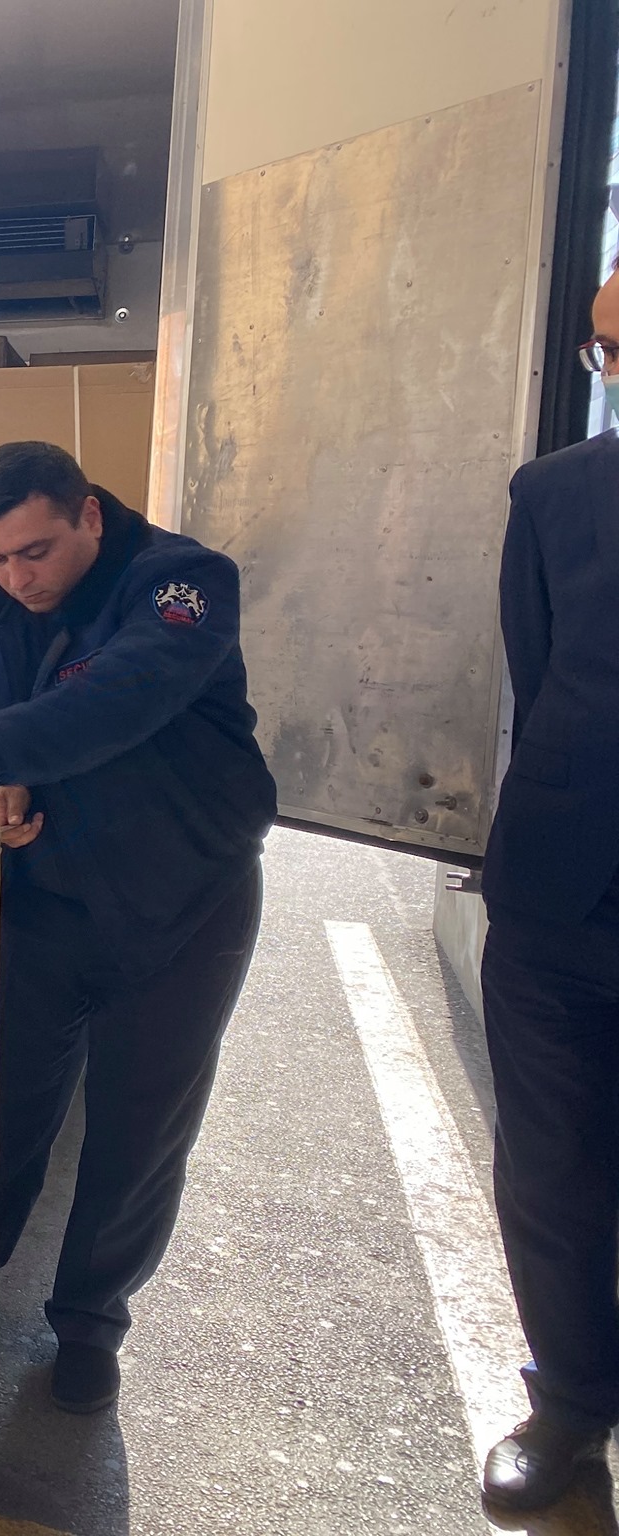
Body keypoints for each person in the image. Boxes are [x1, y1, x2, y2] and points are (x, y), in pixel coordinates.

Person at [0, 440, 276, 1415]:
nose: (16, 578)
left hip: (181, 902)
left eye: (34, 552)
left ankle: (88, 1322)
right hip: (38, 901)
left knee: (136, 1128)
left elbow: (117, 699)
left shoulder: (179, 586)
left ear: (87, 514)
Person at [475, 270, 619, 1511]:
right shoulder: (555, 492)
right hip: (556, 893)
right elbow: (540, 676)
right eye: (607, 350)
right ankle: (567, 1399)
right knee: (547, 1168)